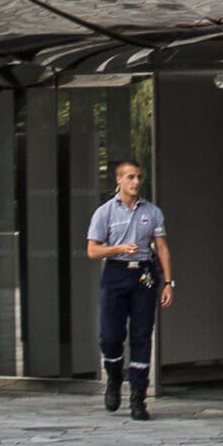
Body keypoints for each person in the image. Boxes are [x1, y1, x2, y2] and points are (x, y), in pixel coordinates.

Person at [85, 158, 173, 420]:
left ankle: (138, 397)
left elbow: (163, 247)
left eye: (138, 177)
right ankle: (113, 375)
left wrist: (168, 282)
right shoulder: (105, 213)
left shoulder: (153, 212)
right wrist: (118, 249)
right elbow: (92, 250)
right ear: (119, 180)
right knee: (110, 336)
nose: (136, 182)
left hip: (144, 274)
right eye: (130, 177)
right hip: (116, 272)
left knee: (142, 336)